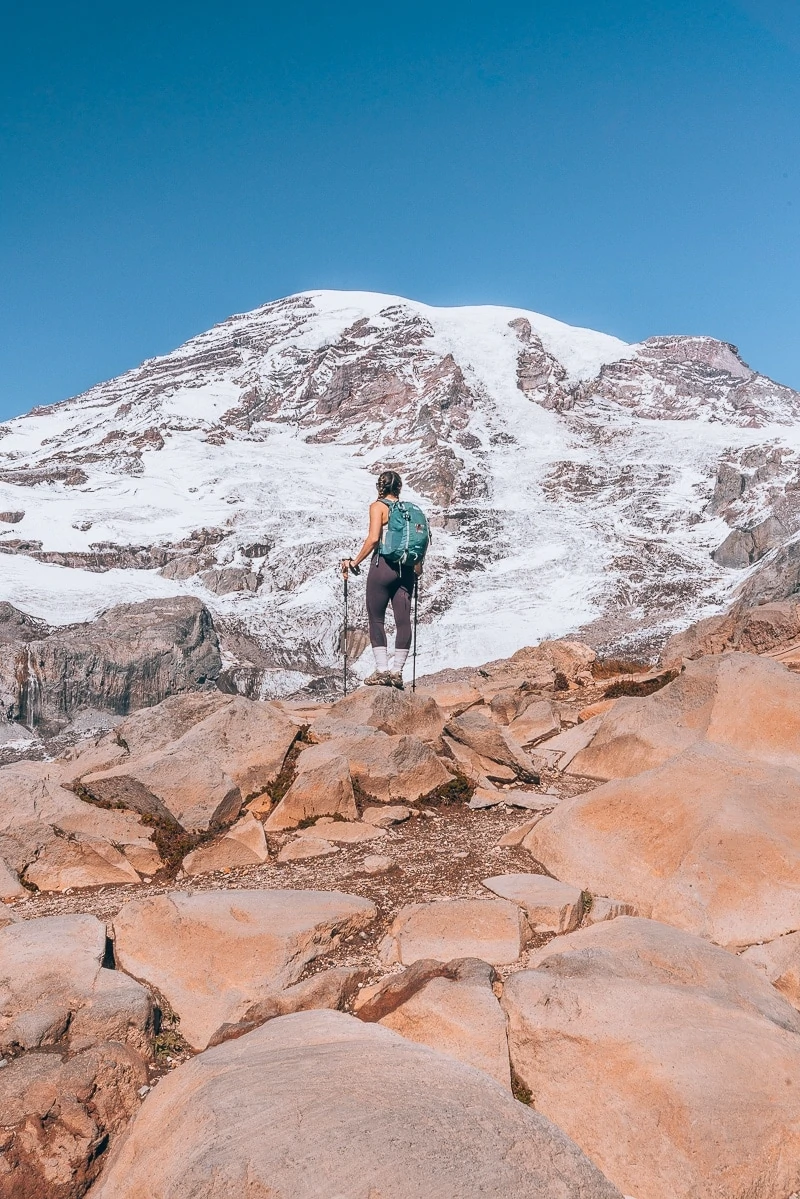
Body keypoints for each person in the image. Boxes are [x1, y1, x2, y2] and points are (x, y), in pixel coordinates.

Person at [341, 470, 422, 689]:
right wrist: (417, 567)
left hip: (383, 568)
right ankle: (397, 672)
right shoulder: (409, 511)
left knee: (376, 618)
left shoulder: (378, 507)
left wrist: (355, 562)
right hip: (406, 570)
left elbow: (374, 539)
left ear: (380, 487)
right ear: (399, 488)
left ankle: (382, 670)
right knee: (403, 620)